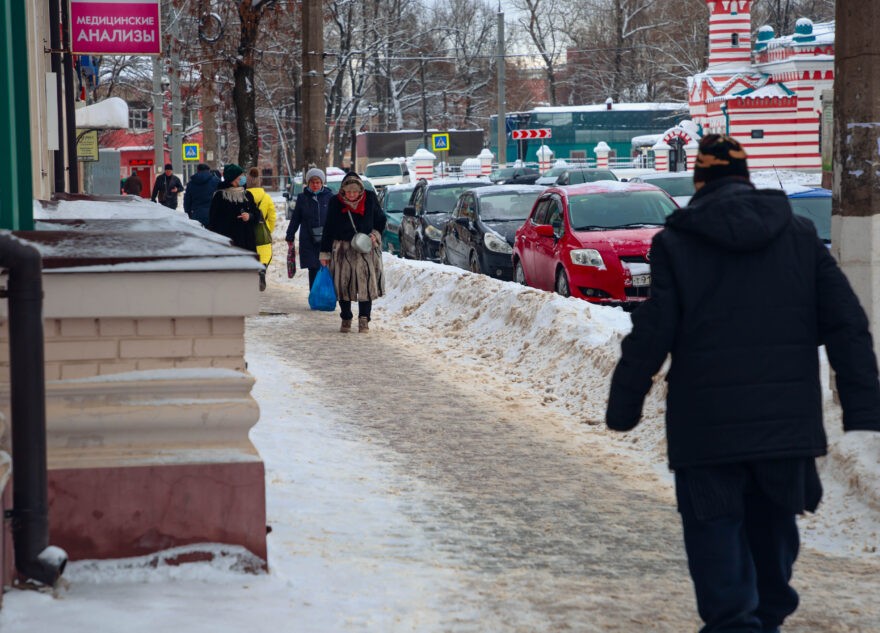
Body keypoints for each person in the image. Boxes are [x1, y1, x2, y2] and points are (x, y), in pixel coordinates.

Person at [605, 134, 880, 633]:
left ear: (700, 181)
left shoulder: (676, 243)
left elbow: (653, 330)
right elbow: (847, 323)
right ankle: (767, 618)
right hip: (785, 431)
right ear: (745, 176)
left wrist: (625, 404)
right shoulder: (798, 237)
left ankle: (736, 622)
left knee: (716, 541)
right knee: (774, 535)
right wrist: (863, 406)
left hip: (707, 433)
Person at [319, 172, 386, 333]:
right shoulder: (335, 202)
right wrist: (325, 253)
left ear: (361, 190)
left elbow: (381, 220)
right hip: (343, 250)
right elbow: (328, 228)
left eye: (355, 192)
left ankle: (364, 319)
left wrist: (374, 235)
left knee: (366, 285)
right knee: (343, 286)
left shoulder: (369, 198)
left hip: (365, 248)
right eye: (348, 192)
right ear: (343, 190)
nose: (351, 195)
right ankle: (346, 317)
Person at [286, 168, 333, 289]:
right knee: (313, 267)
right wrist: (290, 234)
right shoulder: (303, 198)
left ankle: (327, 295)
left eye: (318, 182)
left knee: (326, 266)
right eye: (312, 182)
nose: (315, 185)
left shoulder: (330, 197)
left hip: (326, 238)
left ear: (322, 183)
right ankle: (314, 295)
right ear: (308, 183)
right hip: (309, 238)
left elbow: (336, 218)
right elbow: (296, 218)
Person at [208, 164, 260, 257]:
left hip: (247, 242)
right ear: (233, 178)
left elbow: (257, 214)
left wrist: (249, 216)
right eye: (240, 176)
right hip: (228, 244)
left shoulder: (247, 194)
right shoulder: (220, 196)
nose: (243, 178)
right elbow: (213, 221)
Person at [246, 166, 277, 291]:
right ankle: (262, 270)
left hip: (247, 231)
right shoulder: (266, 198)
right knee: (263, 254)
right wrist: (268, 229)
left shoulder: (244, 196)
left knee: (250, 254)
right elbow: (272, 217)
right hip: (262, 232)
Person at [183, 163, 220, 227]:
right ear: (209, 170)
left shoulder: (191, 183)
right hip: (213, 213)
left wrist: (188, 213)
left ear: (197, 170)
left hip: (196, 214)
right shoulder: (216, 181)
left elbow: (187, 201)